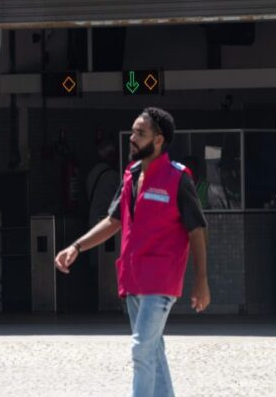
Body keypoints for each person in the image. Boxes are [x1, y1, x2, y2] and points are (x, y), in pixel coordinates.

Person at [55, 107, 210, 397]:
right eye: (133, 132)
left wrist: (201, 280)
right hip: (133, 279)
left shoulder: (178, 178)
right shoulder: (130, 175)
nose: (132, 138)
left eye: (140, 133)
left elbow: (197, 230)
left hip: (160, 281)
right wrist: (76, 246)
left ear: (159, 140)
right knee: (153, 350)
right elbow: (113, 221)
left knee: (141, 349)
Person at [87, 137, 121, 228]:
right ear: (110, 156)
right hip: (105, 223)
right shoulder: (112, 175)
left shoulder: (92, 173)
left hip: (93, 220)